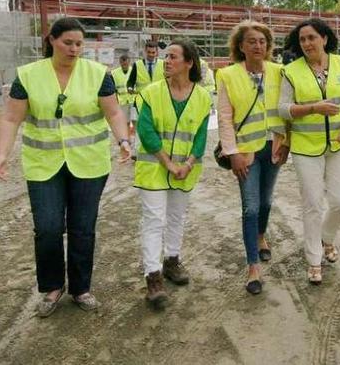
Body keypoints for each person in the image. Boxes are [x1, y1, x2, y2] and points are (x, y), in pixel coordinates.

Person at [0, 17, 132, 317]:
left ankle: (81, 288)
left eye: (79, 44)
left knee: (83, 228)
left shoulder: (98, 74)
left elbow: (113, 112)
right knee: (48, 228)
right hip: (44, 165)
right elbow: (11, 118)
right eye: (68, 43)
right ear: (52, 41)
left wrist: (123, 140)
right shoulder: (28, 76)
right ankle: (52, 286)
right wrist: (2, 153)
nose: (74, 49)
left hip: (89, 163)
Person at [279, 18, 340, 284]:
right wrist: (313, 108)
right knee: (313, 204)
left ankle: (326, 237)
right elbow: (283, 108)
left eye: (312, 38)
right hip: (306, 147)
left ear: (325, 39)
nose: (307, 43)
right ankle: (314, 259)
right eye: (302, 39)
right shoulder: (291, 71)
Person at [134, 39, 212, 309]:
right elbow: (145, 131)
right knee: (154, 220)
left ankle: (172, 261)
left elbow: (200, 136)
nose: (166, 61)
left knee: (177, 217)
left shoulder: (202, 97)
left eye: (173, 57)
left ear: (189, 62)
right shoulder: (151, 93)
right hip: (154, 168)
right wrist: (168, 163)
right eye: (166, 56)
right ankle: (153, 277)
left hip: (185, 170)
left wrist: (188, 163)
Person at [217, 21, 288, 295]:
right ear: (241, 46)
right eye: (251, 41)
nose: (258, 46)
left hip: (273, 147)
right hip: (246, 151)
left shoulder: (280, 72)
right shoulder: (228, 75)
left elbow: (286, 110)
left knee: (266, 201)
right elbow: (225, 118)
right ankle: (253, 267)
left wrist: (287, 143)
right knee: (250, 207)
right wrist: (232, 152)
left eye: (262, 41)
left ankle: (260, 237)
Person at [110, 54, 136, 141]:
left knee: (135, 120)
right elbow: (112, 89)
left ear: (129, 62)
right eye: (123, 63)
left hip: (133, 100)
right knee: (125, 122)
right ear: (120, 63)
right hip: (122, 101)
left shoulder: (134, 71)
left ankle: (134, 138)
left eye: (126, 63)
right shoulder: (114, 73)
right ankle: (127, 138)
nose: (125, 65)